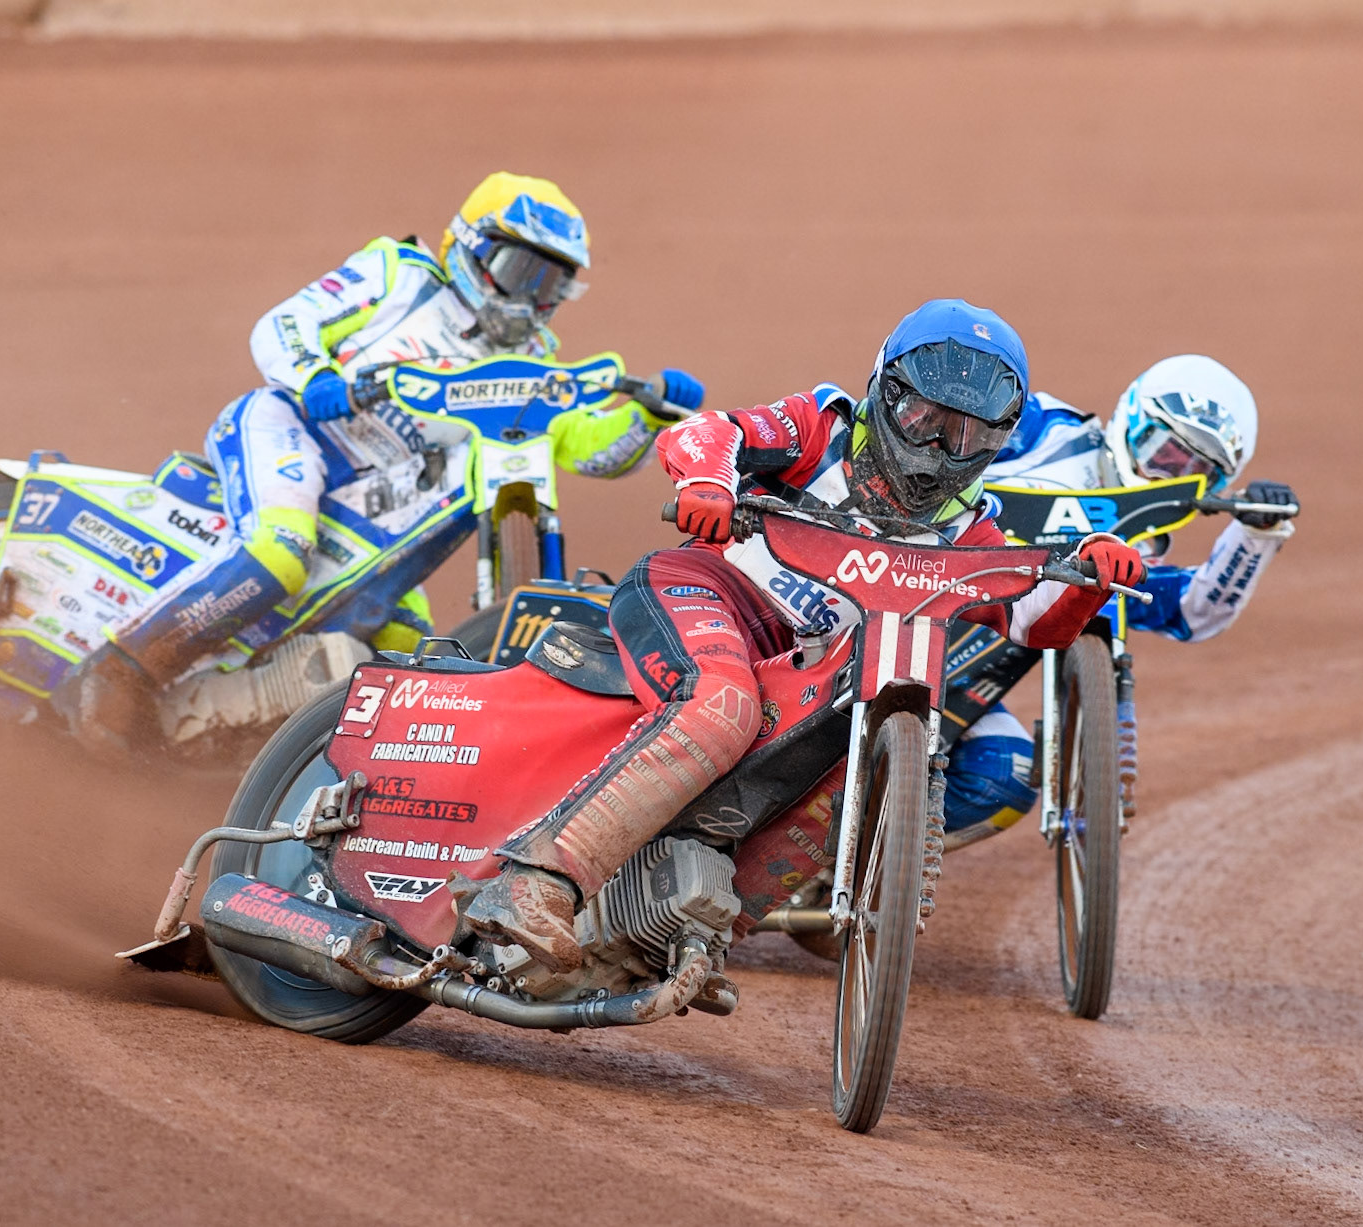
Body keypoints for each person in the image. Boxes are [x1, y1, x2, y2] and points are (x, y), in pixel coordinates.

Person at [462, 299, 1146, 971]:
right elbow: (710, 431)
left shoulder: (972, 529)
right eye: (925, 418)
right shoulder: (822, 427)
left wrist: (1091, 578)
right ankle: (537, 879)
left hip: (806, 669)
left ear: (998, 440)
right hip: (708, 594)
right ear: (886, 391)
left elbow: (1032, 621)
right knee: (723, 707)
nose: (939, 449)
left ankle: (677, 940)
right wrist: (708, 484)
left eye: (965, 434)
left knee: (849, 767)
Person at [55, 172, 706, 756]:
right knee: (280, 552)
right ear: (473, 248)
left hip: (380, 508)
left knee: (405, 656)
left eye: (553, 285)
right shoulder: (399, 275)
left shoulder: (534, 360)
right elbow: (284, 325)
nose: (534, 300)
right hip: (293, 431)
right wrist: (316, 378)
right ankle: (116, 671)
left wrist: (648, 418)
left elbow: (584, 447)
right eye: (523, 272)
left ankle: (252, 757)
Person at [935, 354, 1301, 841]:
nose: (1168, 475)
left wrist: (1257, 536)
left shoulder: (1141, 545)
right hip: (904, 600)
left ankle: (867, 866)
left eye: (1197, 470)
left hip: (958, 692)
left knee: (1005, 776)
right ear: (1132, 421)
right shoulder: (1043, 430)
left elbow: (1194, 611)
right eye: (1165, 453)